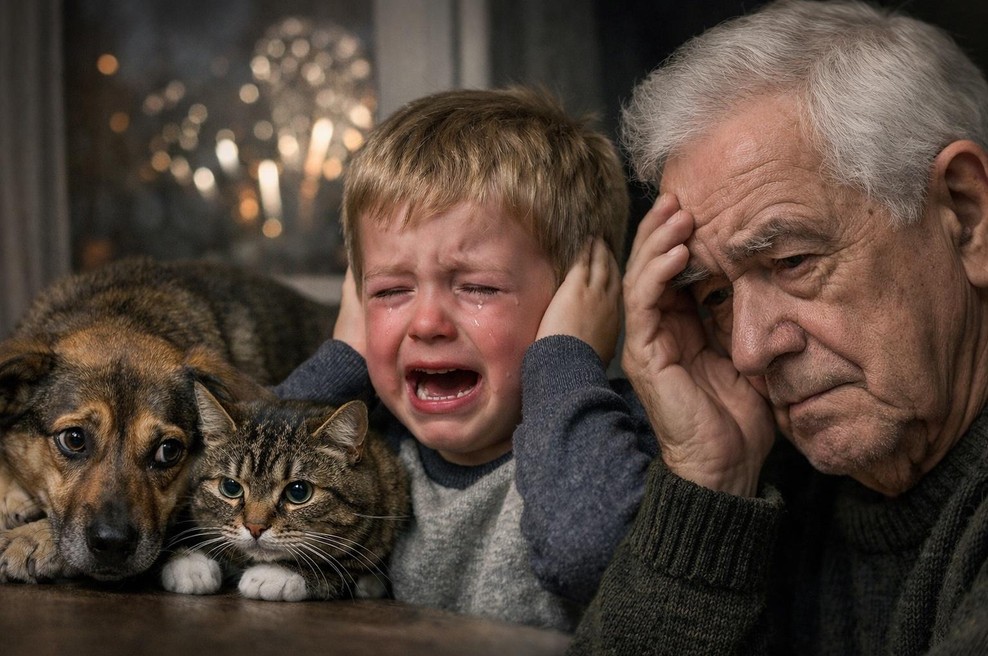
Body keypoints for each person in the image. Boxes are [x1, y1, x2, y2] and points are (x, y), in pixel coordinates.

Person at [568, 0, 988, 653]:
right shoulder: (777, 479)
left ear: (966, 213)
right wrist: (709, 482)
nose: (749, 349)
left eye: (792, 261)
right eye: (713, 296)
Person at [275, 87, 657, 632]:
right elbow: (230, 481)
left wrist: (567, 359)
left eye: (477, 287)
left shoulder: (613, 441)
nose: (427, 324)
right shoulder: (369, 448)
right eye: (389, 292)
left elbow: (584, 554)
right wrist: (349, 358)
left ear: (580, 298)